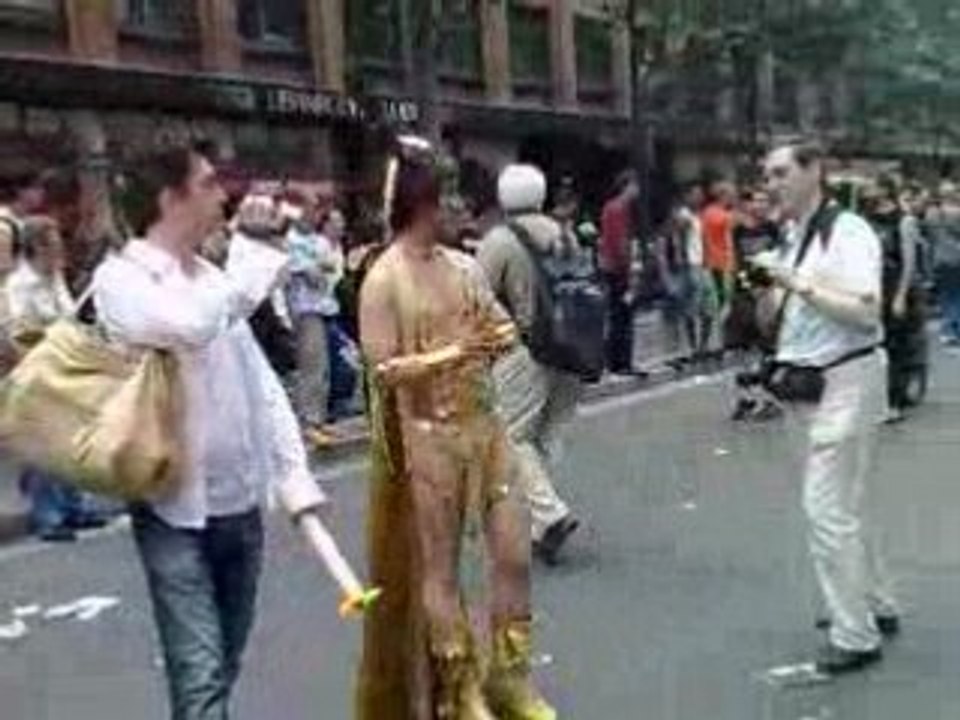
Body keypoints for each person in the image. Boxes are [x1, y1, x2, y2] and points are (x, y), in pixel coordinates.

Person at [93, 144, 338, 719]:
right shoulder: (121, 280)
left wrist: (294, 479)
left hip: (239, 506)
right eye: (206, 184)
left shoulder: (211, 278)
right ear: (169, 199)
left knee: (221, 664)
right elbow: (190, 325)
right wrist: (253, 255)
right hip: (171, 507)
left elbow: (263, 389)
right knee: (200, 674)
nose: (222, 194)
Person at [357, 138, 556, 720]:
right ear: (425, 203)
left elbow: (498, 327)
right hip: (428, 437)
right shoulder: (383, 278)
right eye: (452, 198)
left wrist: (497, 338)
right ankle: (459, 689)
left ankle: (512, 676)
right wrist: (453, 353)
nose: (464, 211)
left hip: (484, 427)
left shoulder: (465, 266)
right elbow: (383, 370)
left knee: (514, 554)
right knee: (438, 571)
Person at [758, 139, 899, 676]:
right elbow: (786, 319)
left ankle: (855, 633)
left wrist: (795, 281)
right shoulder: (795, 235)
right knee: (847, 503)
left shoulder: (848, 232)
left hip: (846, 379)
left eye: (779, 173)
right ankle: (875, 603)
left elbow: (865, 312)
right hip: (812, 383)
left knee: (826, 510)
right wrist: (770, 291)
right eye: (766, 175)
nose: (770, 184)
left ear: (814, 171)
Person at [477, 164, 582, 565]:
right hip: (574, 347)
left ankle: (549, 513)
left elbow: (475, 295)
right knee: (538, 436)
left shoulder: (501, 240)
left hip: (527, 348)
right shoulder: (564, 234)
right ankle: (538, 520)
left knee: (508, 435)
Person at [8, 216, 106, 541]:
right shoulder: (20, 286)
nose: (61, 249)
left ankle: (73, 506)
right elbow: (18, 333)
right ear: (37, 247)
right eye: (54, 243)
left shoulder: (54, 279)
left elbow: (67, 317)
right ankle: (47, 515)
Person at [284, 196, 341, 447]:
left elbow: (327, 268)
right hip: (303, 310)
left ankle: (319, 419)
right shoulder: (289, 241)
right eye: (309, 210)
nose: (314, 215)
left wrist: (314, 269)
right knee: (311, 367)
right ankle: (309, 421)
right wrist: (311, 269)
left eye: (317, 211)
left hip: (325, 308)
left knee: (323, 367)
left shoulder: (319, 241)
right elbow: (300, 272)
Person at [727, 189, 784, 421]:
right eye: (755, 201)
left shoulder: (773, 229)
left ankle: (770, 399)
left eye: (763, 201)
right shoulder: (738, 230)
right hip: (744, 288)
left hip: (767, 289)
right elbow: (736, 260)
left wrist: (768, 287)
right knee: (741, 344)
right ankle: (745, 397)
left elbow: (781, 260)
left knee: (767, 347)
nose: (758, 205)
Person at [600, 171, 641, 374]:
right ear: (627, 186)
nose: (638, 190)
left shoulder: (612, 208)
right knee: (623, 316)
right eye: (635, 186)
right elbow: (620, 242)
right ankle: (622, 362)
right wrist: (630, 269)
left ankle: (616, 361)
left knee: (618, 315)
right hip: (618, 269)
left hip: (612, 267)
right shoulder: (618, 209)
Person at [701, 180, 737, 314]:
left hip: (711, 262)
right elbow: (730, 241)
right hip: (726, 263)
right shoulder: (726, 216)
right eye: (731, 195)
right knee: (728, 303)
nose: (733, 199)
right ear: (724, 196)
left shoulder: (706, 212)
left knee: (717, 302)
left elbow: (703, 237)